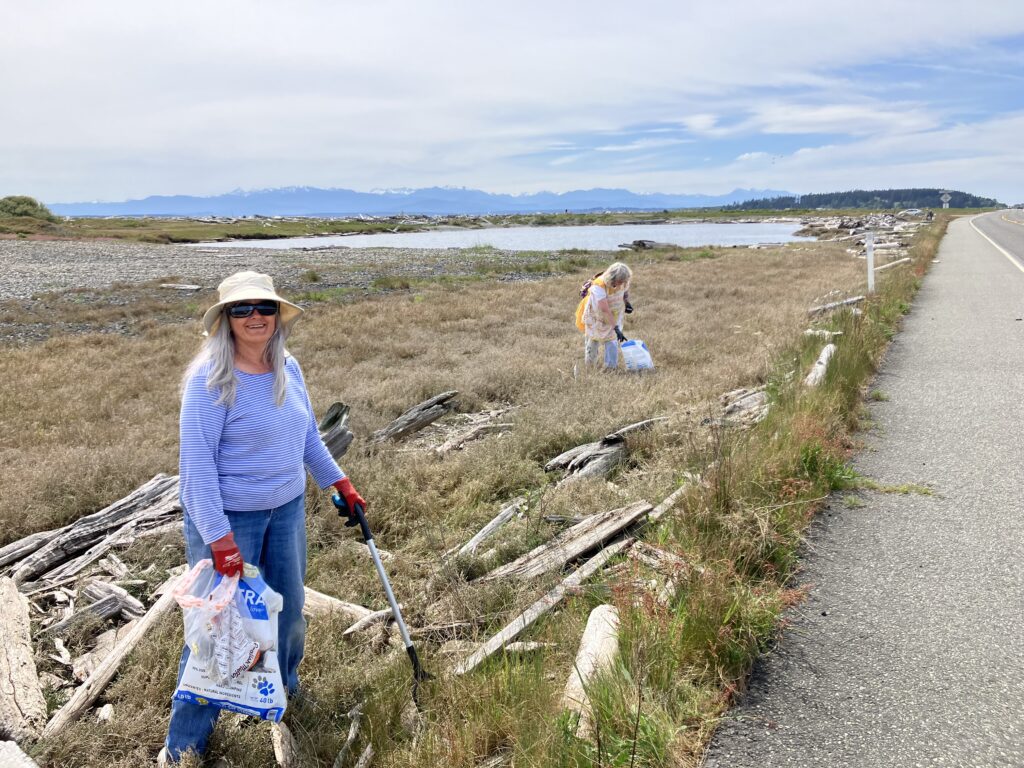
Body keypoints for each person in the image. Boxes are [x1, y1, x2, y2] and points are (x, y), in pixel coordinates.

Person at [160, 271, 365, 764]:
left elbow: (308, 437)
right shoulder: (209, 378)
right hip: (229, 520)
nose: (256, 317)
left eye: (264, 308)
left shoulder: (286, 366)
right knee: (213, 632)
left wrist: (338, 482)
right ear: (225, 320)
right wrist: (220, 539)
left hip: (287, 509)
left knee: (290, 612)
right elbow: (197, 468)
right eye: (242, 309)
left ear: (278, 316)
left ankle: (280, 693)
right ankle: (183, 746)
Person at [576, 262, 633, 369]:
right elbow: (604, 309)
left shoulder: (624, 281)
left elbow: (625, 292)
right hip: (596, 316)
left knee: (612, 341)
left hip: (614, 315)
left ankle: (611, 368)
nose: (621, 284)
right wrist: (616, 328)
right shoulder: (599, 285)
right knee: (593, 340)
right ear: (612, 277)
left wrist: (627, 302)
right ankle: (590, 367)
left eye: (623, 281)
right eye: (619, 281)